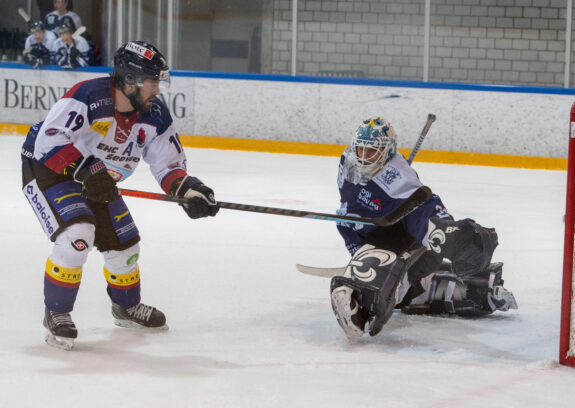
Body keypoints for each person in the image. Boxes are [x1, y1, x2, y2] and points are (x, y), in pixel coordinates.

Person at [21, 41, 219, 351]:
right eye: (153, 80)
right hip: (49, 168)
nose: (158, 88)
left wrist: (188, 190)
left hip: (97, 177)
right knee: (78, 234)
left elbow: (168, 164)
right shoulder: (87, 96)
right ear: (130, 81)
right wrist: (87, 170)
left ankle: (125, 307)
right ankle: (56, 312)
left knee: (125, 244)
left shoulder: (154, 114)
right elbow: (50, 142)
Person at [330, 116, 517, 342]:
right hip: (370, 232)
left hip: (406, 241)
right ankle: (423, 286)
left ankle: (365, 306)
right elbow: (349, 202)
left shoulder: (399, 177)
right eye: (360, 149)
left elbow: (426, 207)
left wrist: (447, 232)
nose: (363, 156)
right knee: (407, 283)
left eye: (371, 151)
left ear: (387, 151)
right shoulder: (348, 161)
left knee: (393, 275)